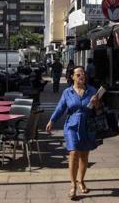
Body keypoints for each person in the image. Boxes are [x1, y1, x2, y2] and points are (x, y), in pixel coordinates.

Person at [46, 66, 100, 198]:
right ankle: (73, 185)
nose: (82, 76)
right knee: (74, 152)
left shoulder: (92, 90)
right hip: (71, 126)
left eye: (83, 74)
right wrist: (52, 121)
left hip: (87, 126)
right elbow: (60, 108)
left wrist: (96, 102)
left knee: (84, 156)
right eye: (78, 74)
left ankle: (81, 181)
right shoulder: (67, 92)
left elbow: (98, 109)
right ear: (72, 77)